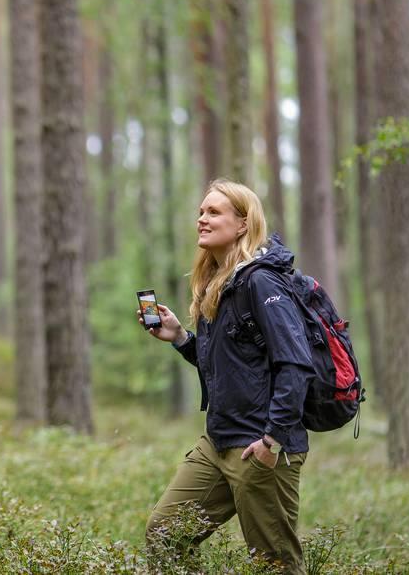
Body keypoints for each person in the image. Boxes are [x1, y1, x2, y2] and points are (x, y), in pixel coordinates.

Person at [140, 179, 314, 574]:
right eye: (201, 212)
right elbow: (228, 369)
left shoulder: (261, 281)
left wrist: (272, 440)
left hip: (260, 447)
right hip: (217, 442)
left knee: (275, 565)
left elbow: (295, 364)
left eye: (214, 212)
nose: (202, 219)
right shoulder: (219, 284)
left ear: (242, 223)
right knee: (165, 532)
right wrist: (182, 338)